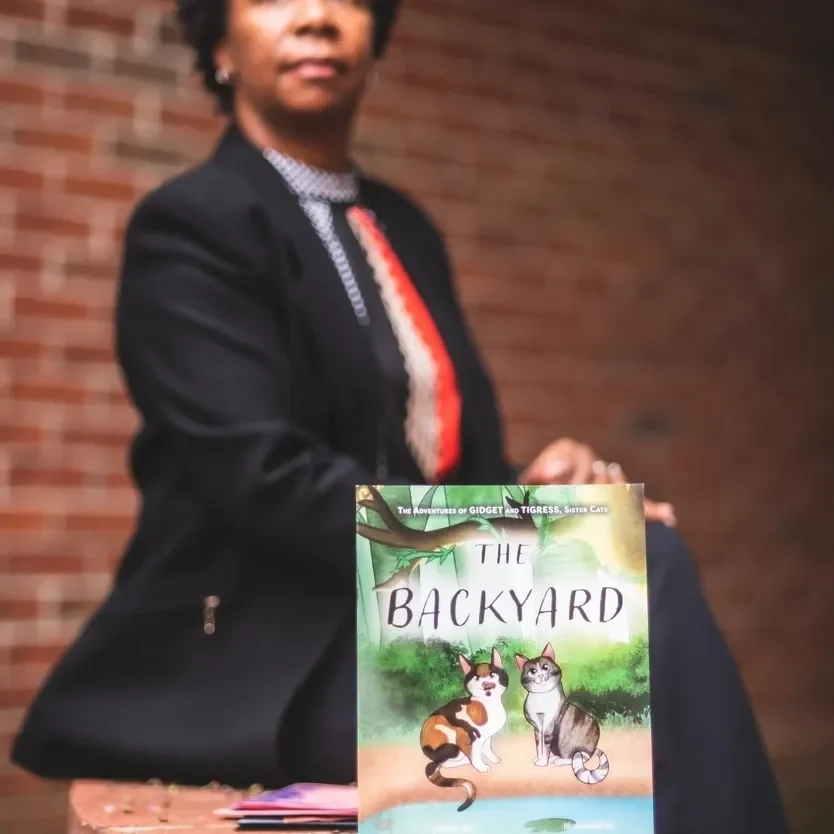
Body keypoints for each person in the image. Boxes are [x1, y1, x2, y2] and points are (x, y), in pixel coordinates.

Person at [12, 0, 788, 831]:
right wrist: (522, 526)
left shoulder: (404, 227)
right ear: (220, 44)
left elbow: (445, 469)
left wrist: (537, 492)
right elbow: (266, 480)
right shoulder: (191, 224)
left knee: (634, 578)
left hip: (425, 613)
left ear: (375, 35)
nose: (316, 17)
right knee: (647, 584)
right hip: (273, 645)